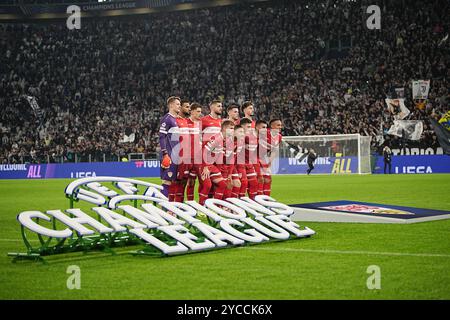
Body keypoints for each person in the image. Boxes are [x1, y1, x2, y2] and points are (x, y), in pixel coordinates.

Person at [159, 96, 181, 200]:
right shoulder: (167, 119)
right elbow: (161, 136)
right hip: (169, 155)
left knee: (173, 181)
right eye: (177, 104)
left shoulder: (175, 120)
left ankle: (169, 207)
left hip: (175, 155)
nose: (179, 106)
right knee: (166, 181)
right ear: (171, 105)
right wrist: (165, 153)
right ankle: (162, 207)